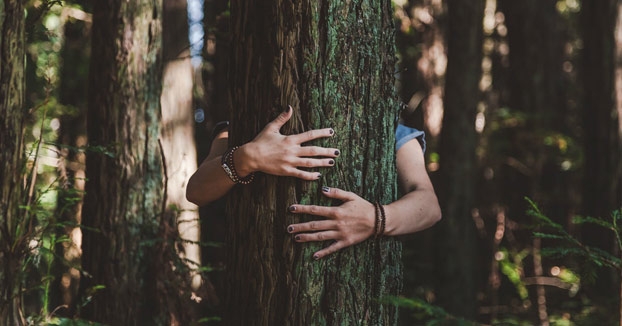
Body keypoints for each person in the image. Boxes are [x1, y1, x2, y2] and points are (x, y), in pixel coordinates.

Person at [186, 105, 441, 260]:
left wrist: (375, 219)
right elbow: (196, 190)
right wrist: (248, 157)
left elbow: (429, 205)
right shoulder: (241, 126)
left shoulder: (390, 132)